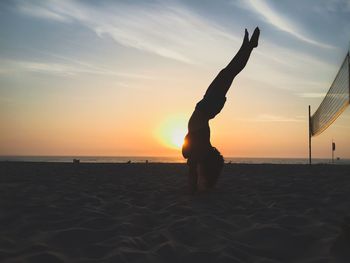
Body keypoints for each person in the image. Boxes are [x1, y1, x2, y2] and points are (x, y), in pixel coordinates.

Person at [182, 27, 260, 194]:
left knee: (228, 73)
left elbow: (191, 166)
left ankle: (248, 46)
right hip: (207, 108)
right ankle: (249, 46)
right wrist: (194, 186)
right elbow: (190, 165)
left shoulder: (199, 150)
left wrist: (195, 185)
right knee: (228, 73)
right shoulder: (199, 149)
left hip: (208, 107)